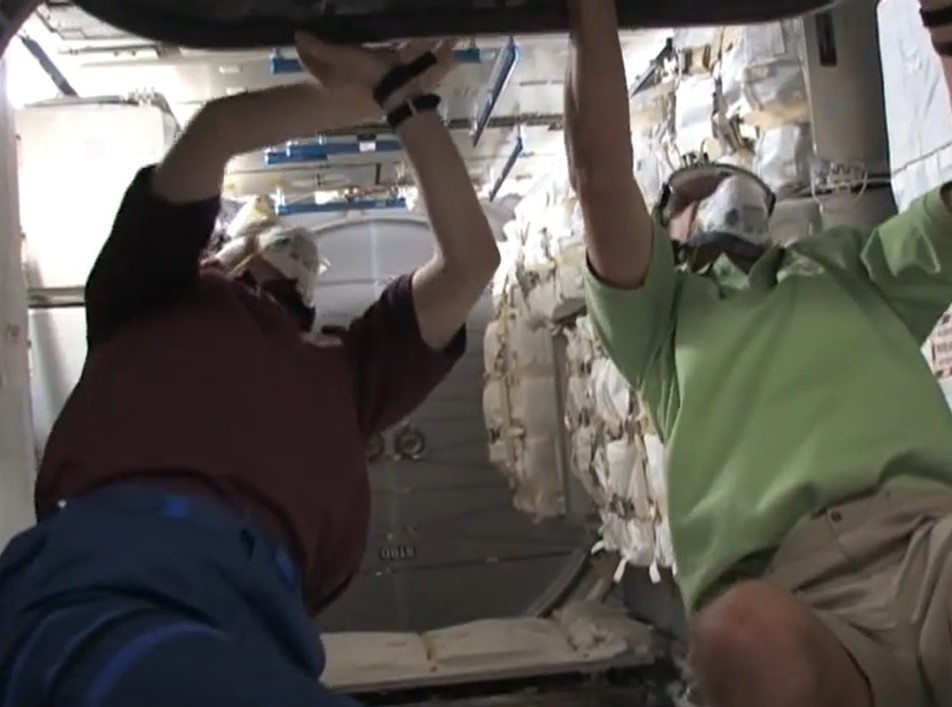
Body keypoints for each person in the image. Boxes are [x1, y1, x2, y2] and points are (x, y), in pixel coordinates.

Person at [0, 34, 500, 706]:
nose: (286, 266)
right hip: (116, 584)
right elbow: (216, 133)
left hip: (250, 625)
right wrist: (387, 93)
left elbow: (468, 264)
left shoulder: (343, 370)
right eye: (275, 254)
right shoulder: (152, 289)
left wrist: (403, 100)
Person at [566, 1, 952, 706]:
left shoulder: (846, 267)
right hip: (792, 589)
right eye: (694, 196)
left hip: (933, 538)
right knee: (742, 637)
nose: (721, 202)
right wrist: (592, 14)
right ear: (667, 236)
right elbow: (599, 177)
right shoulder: (659, 327)